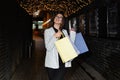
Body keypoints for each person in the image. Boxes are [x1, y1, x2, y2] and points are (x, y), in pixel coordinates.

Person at [44, 12, 76, 80]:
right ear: (54, 19)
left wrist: (73, 34)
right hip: (52, 63)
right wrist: (54, 36)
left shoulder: (64, 32)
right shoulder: (48, 31)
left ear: (62, 21)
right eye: (57, 16)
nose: (58, 18)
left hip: (63, 62)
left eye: (60, 17)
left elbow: (70, 47)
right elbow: (48, 48)